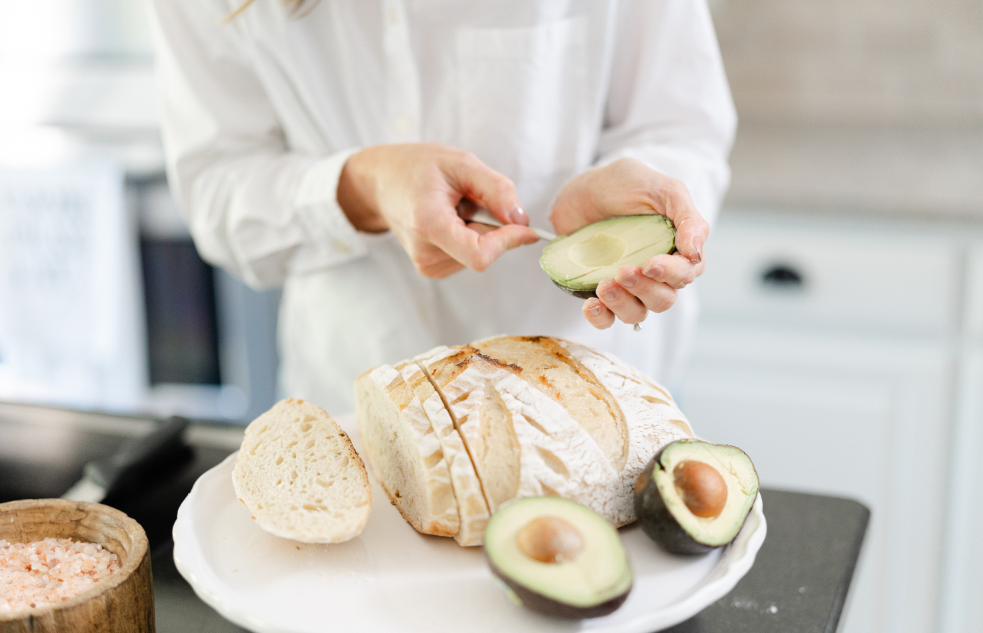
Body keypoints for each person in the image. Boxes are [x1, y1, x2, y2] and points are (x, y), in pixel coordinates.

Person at [148, 0, 736, 415]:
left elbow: (680, 123)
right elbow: (216, 189)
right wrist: (365, 186)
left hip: (595, 389)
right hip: (355, 401)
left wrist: (651, 221)